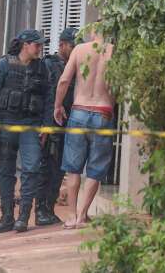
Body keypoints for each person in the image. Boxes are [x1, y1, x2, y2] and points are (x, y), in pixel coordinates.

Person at [0, 29, 54, 234]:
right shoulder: (4, 64)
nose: (40, 48)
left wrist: (47, 125)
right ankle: (6, 217)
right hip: (6, 123)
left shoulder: (43, 68)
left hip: (31, 125)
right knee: (5, 170)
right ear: (26, 45)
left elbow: (49, 100)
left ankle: (23, 217)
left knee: (31, 169)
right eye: (37, 44)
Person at [54, 26, 114, 230]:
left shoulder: (79, 50)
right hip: (103, 113)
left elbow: (63, 81)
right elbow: (120, 88)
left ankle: (71, 216)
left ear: (92, 31)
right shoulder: (114, 52)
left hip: (79, 111)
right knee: (95, 169)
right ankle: (82, 215)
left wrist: (58, 105)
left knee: (73, 168)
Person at [36, 27, 78, 226]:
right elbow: (42, 97)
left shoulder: (76, 65)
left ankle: (49, 209)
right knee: (46, 168)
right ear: (62, 45)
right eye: (73, 46)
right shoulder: (47, 65)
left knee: (59, 169)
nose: (76, 49)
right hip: (49, 125)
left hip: (66, 124)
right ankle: (40, 211)